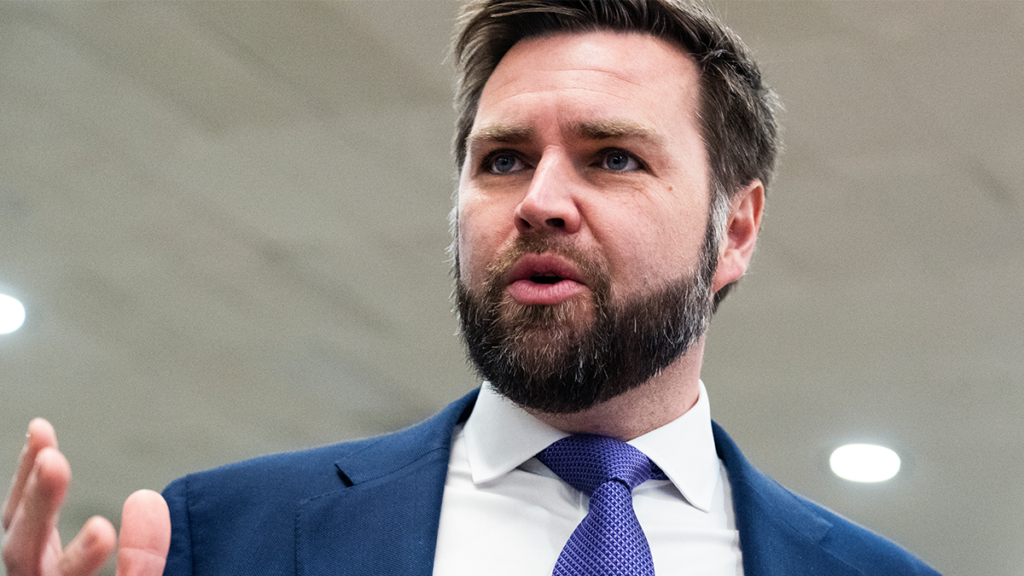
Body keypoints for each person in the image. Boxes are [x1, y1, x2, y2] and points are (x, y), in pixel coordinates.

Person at [3, 1, 940, 575]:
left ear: (734, 229)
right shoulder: (225, 540)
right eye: (502, 160)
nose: (539, 201)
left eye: (612, 157)